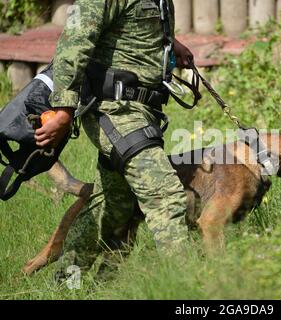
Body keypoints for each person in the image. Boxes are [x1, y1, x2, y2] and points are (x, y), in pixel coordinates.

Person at [34, 0, 195, 275]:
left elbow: (127, 24)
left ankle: (66, 284)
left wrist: (169, 42)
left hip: (144, 110)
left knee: (112, 208)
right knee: (165, 195)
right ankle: (189, 289)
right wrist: (63, 109)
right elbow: (74, 41)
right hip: (115, 110)